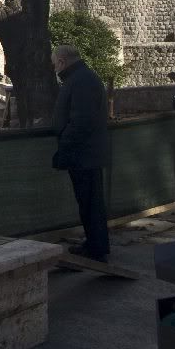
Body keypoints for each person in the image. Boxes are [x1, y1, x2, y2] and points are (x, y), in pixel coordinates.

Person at [51, 44, 110, 262]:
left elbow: (81, 121)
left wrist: (65, 144)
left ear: (62, 62)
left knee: (90, 204)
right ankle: (94, 244)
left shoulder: (81, 81)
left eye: (55, 64)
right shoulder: (82, 78)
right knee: (88, 203)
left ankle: (96, 248)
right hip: (87, 153)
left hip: (84, 154)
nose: (55, 69)